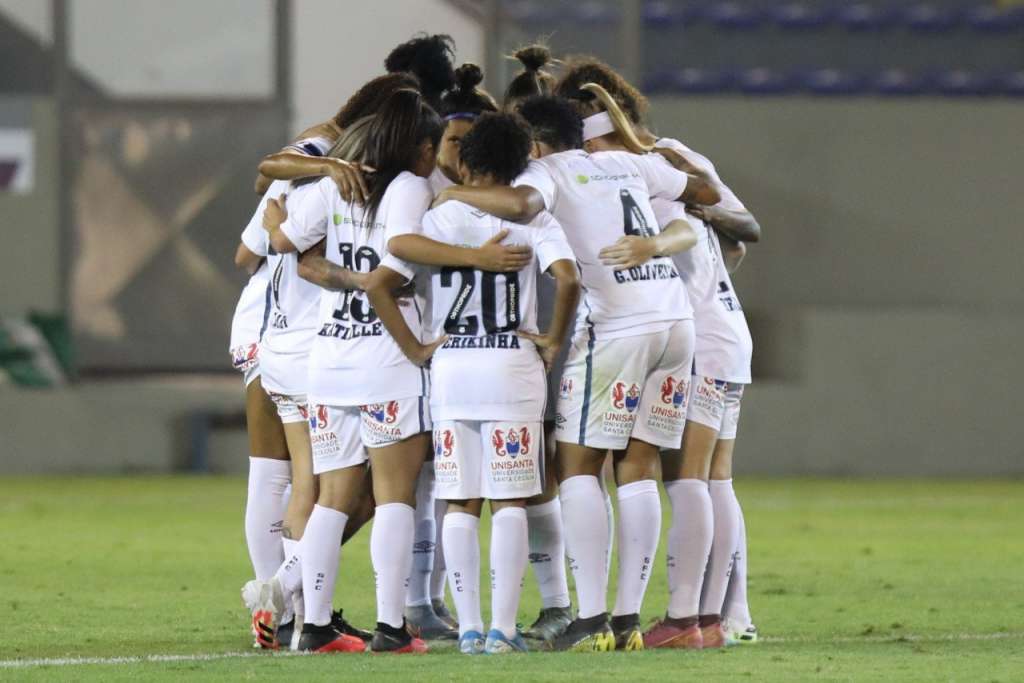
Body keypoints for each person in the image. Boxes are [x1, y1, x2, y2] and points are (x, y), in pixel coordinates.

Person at [433, 93, 718, 652]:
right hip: (675, 323)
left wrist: (454, 191)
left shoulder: (546, 171)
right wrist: (655, 234)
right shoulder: (626, 162)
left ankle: (591, 618)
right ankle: (628, 619)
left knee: (578, 466)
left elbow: (518, 206)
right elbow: (705, 192)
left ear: (536, 142)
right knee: (638, 466)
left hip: (616, 326)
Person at [555, 56, 762, 648]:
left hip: (688, 332)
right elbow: (740, 231)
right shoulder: (673, 158)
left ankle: (687, 618)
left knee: (689, 480)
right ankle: (725, 614)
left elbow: (718, 228)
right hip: (722, 328)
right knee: (713, 478)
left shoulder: (635, 170)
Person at [366, 111, 580, 655]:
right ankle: (504, 632)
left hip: (454, 372)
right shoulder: (532, 219)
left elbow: (381, 284)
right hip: (512, 367)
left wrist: (415, 349)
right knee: (510, 503)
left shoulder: (439, 218)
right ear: (521, 162)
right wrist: (553, 338)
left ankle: (467, 629)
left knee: (459, 501)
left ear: (466, 159)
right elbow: (569, 279)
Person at [403, 62, 500, 640]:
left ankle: (431, 599)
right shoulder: (420, 193)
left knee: (447, 482)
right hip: (426, 349)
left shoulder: (491, 197)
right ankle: (415, 598)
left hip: (460, 351)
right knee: (420, 483)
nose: (460, 151)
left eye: (470, 141)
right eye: (453, 140)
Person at [503, 43, 577, 643]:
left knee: (544, 475)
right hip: (563, 331)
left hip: (551, 335)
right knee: (545, 474)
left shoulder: (535, 179)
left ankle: (561, 602)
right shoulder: (603, 166)